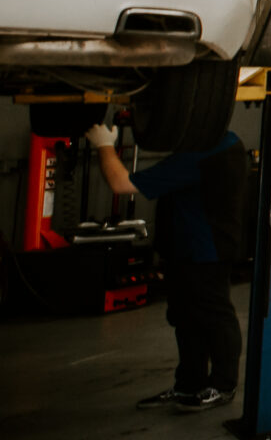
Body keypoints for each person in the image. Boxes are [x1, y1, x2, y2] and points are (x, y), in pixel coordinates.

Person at [88, 121, 249, 411]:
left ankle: (223, 386)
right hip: (189, 250)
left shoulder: (200, 154)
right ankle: (189, 385)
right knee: (186, 320)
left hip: (204, 251)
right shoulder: (228, 141)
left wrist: (103, 145)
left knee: (214, 317)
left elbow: (121, 183)